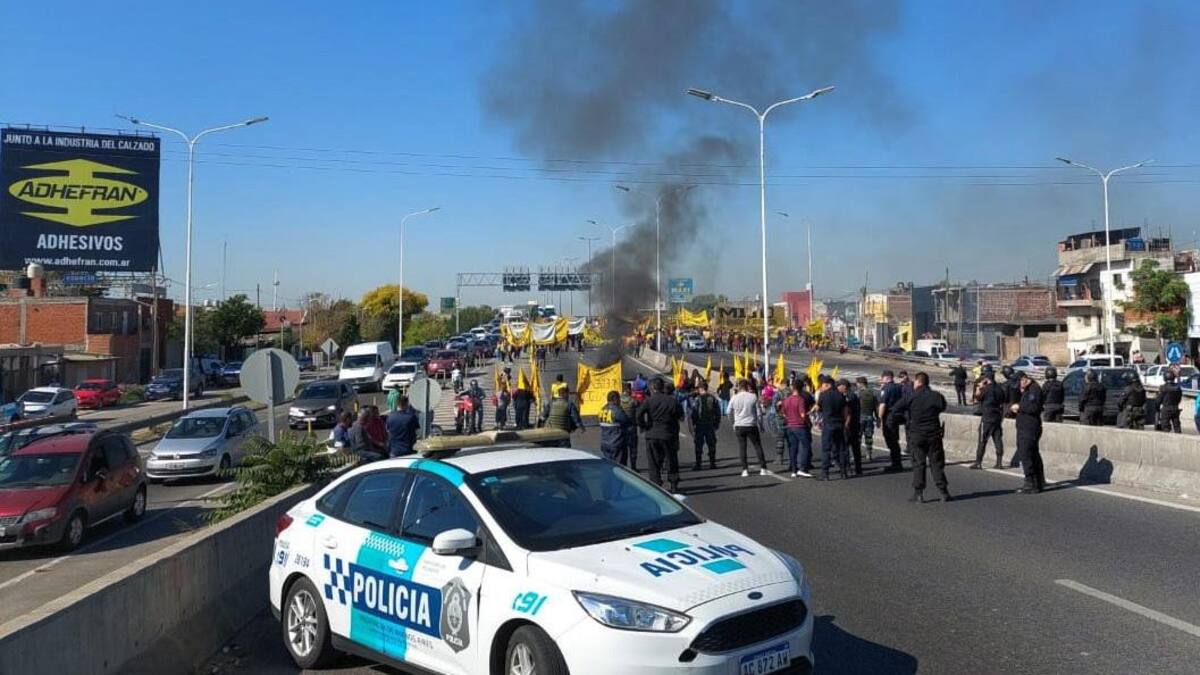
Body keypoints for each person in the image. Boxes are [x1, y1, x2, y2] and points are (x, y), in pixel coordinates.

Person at [889, 372, 950, 503]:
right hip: (934, 434)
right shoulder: (937, 396)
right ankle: (943, 491)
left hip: (916, 434)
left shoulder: (911, 396)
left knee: (918, 464)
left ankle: (919, 493)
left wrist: (905, 418)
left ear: (918, 382)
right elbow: (942, 407)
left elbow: (895, 409)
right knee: (936, 463)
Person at [638, 378, 685, 491]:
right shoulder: (672, 401)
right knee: (671, 460)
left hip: (652, 435)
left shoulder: (649, 401)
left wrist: (644, 426)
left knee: (654, 462)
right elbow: (681, 416)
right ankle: (673, 484)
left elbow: (638, 414)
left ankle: (656, 485)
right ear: (662, 387)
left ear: (652, 388)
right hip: (668, 434)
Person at [728, 378, 770, 477]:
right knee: (757, 446)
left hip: (739, 425)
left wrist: (733, 422)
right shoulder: (753, 396)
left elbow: (728, 411)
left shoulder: (734, 397)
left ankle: (745, 470)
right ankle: (763, 468)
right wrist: (761, 425)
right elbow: (759, 413)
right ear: (747, 386)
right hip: (751, 424)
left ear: (739, 387)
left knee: (742, 447)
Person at [1012, 371, 1045, 494]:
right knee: (1033, 454)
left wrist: (1019, 408)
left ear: (1024, 379)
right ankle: (1038, 481)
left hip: (1029, 428)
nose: (1019, 386)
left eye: (1020, 383)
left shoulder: (1034, 390)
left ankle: (1031, 482)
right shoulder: (1026, 390)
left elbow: (1034, 408)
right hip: (1025, 427)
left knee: (1026, 454)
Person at [817, 377, 850, 480]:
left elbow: (819, 408)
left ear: (827, 385)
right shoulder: (841, 395)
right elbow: (845, 411)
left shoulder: (823, 395)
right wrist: (844, 423)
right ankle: (843, 472)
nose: (821, 387)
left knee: (826, 449)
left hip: (828, 424)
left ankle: (825, 474)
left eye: (822, 385)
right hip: (839, 424)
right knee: (841, 448)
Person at [972, 369, 1005, 470]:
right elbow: (1003, 399)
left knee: (982, 440)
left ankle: (978, 462)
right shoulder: (999, 388)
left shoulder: (986, 389)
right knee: (998, 439)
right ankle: (999, 463)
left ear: (986, 378)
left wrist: (979, 387)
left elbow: (977, 397)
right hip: (997, 416)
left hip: (987, 416)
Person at [780, 380, 813, 478]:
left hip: (790, 426)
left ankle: (794, 469)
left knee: (793, 448)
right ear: (801, 388)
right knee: (806, 446)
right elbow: (803, 414)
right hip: (800, 426)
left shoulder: (786, 399)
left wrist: (789, 418)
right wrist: (808, 419)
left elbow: (783, 412)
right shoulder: (800, 400)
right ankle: (803, 468)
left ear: (792, 387)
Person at [689, 380, 721, 471]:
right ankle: (712, 463)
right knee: (711, 444)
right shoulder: (713, 398)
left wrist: (694, 424)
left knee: (698, 445)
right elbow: (717, 412)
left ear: (701, 388)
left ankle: (698, 464)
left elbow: (694, 413)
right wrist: (716, 423)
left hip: (700, 425)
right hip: (710, 424)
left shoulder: (697, 399)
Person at [877, 370, 905, 472]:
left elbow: (883, 404)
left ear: (887, 378)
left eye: (882, 378)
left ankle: (896, 464)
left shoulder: (886, 388)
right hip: (898, 415)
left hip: (889, 416)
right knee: (894, 439)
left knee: (890, 439)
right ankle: (896, 462)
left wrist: (879, 417)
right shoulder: (899, 387)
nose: (881, 380)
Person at [599, 390, 633, 464]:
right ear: (615, 399)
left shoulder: (602, 409)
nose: (620, 401)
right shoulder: (616, 410)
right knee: (620, 467)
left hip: (605, 444)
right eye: (618, 399)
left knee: (609, 466)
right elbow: (626, 421)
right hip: (617, 443)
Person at [838, 379, 864, 476]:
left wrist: (846, 425)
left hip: (850, 425)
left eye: (839, 386)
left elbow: (848, 412)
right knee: (855, 448)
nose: (838, 388)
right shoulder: (853, 395)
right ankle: (858, 469)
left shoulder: (849, 397)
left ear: (844, 386)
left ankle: (848, 468)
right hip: (855, 425)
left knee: (846, 448)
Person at [856, 376, 877, 462]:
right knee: (869, 436)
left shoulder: (857, 393)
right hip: (870, 417)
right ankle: (869, 454)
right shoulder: (872, 393)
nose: (856, 385)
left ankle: (858, 455)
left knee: (858, 437)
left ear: (861, 384)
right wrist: (878, 418)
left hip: (860, 417)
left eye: (857, 383)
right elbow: (876, 407)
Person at [619, 382, 641, 471]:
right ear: (629, 389)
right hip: (632, 427)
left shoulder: (618, 400)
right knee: (633, 449)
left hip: (621, 428)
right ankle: (633, 467)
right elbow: (638, 405)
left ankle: (623, 467)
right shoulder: (633, 401)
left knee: (623, 448)